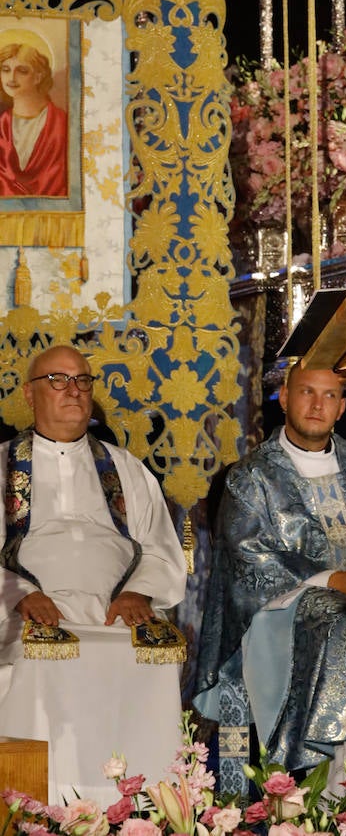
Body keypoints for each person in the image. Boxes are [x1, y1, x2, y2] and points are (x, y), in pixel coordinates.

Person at [0, 344, 187, 802]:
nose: (74, 391)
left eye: (83, 380)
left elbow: (162, 546)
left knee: (155, 660)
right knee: (35, 657)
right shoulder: (3, 465)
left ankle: (142, 809)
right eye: (58, 381)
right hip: (28, 613)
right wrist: (19, 593)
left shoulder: (124, 469)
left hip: (114, 614)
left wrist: (139, 593)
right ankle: (36, 808)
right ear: (29, 393)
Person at [194, 364, 346, 782]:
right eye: (306, 392)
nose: (317, 405)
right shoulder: (251, 477)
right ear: (284, 397)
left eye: (330, 395)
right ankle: (328, 780)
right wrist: (335, 580)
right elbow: (247, 561)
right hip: (273, 612)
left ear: (342, 407)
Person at [0, 36, 68, 198]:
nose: (12, 78)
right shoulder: (2, 124)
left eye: (22, 71)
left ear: (38, 76)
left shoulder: (61, 124)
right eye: (5, 69)